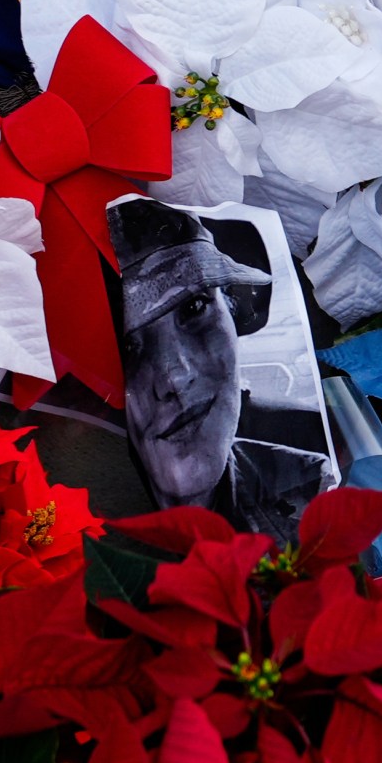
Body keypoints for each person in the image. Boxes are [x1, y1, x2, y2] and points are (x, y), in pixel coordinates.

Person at [109, 199, 329, 539]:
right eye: (128, 347)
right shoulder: (59, 530)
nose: (175, 377)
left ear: (232, 307)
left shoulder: (312, 487)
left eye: (195, 308)